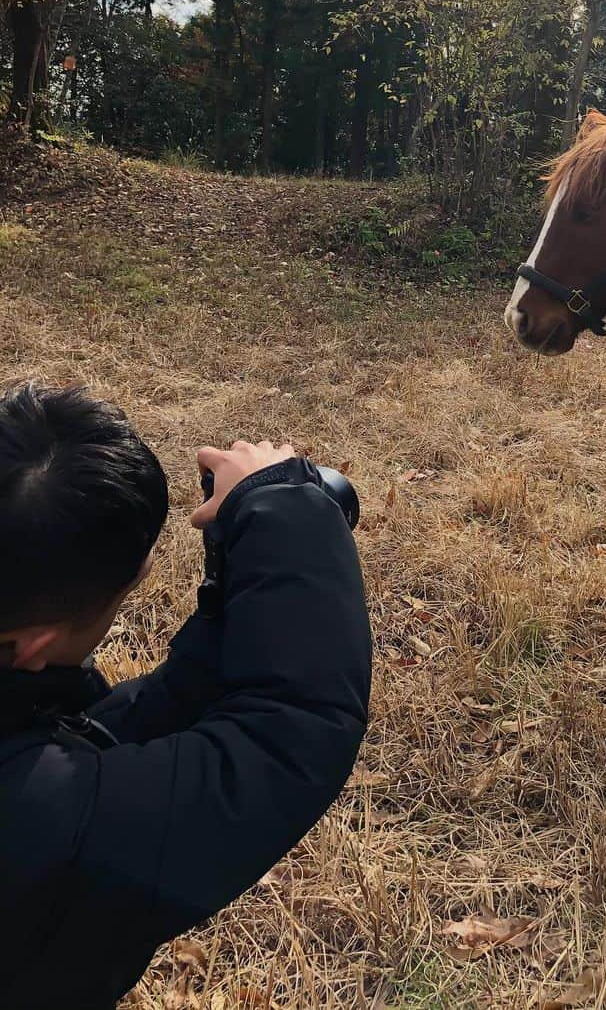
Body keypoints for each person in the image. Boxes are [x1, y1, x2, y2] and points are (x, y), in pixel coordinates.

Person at [0, 382, 372, 1008]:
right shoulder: (36, 826)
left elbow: (94, 737)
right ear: (30, 646)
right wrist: (287, 512)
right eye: (131, 580)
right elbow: (287, 732)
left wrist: (233, 591)